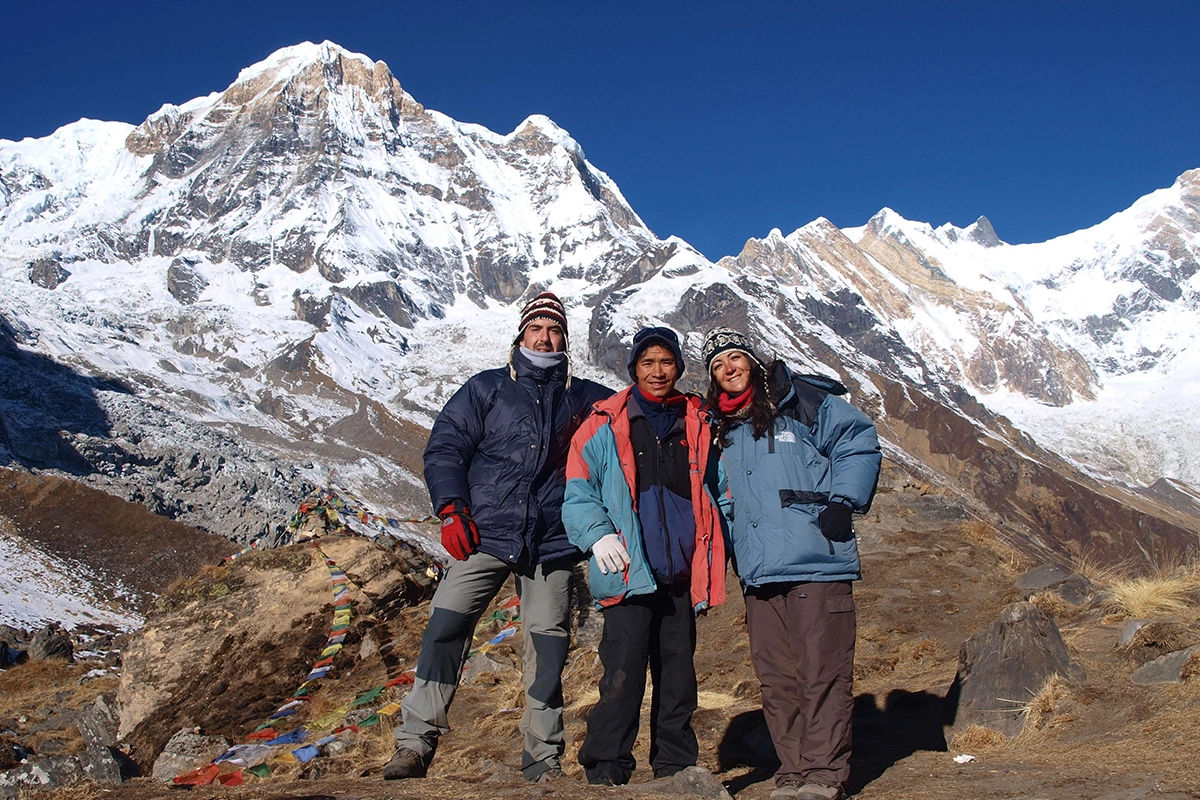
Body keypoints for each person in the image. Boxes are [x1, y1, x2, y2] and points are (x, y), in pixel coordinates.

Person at [384, 292, 613, 783]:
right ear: (521, 333)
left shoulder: (588, 398)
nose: (545, 336)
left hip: (552, 543)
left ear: (565, 339)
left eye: (554, 329)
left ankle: (542, 760)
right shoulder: (486, 388)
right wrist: (451, 510)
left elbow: (632, 426)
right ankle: (414, 743)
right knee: (445, 626)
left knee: (547, 649)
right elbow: (445, 447)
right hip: (484, 534)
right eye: (537, 327)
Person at [701, 327, 881, 800]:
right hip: (759, 574)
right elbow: (722, 499)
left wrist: (844, 500)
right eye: (718, 366)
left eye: (735, 358)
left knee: (822, 671)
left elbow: (857, 440)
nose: (728, 369)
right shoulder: (724, 430)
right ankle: (794, 773)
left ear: (754, 363)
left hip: (815, 562)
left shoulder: (798, 402)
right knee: (777, 678)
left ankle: (824, 776)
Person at [562, 326, 727, 786]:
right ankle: (606, 767)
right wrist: (598, 536)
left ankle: (675, 768)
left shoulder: (697, 421)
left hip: (679, 571)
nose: (658, 372)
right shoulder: (603, 423)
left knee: (678, 678)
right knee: (623, 673)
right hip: (629, 571)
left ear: (679, 367)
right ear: (633, 368)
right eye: (648, 362)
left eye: (667, 362)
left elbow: (717, 489)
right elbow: (578, 492)